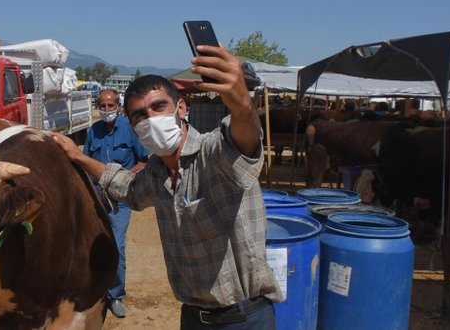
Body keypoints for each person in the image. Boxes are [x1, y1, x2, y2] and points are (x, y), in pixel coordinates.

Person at [53, 44, 281, 329]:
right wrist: (78, 157)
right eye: (140, 115)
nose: (151, 119)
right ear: (134, 127)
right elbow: (128, 188)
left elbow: (245, 138)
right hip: (192, 316)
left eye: (159, 107)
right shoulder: (156, 174)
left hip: (244, 318)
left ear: (181, 108)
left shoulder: (215, 152)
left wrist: (241, 102)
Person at [83, 88, 149, 319]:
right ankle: (95, 289)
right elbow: (87, 160)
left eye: (111, 105)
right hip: (97, 196)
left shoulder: (130, 130)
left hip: (120, 199)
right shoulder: (94, 130)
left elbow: (144, 160)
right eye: (102, 105)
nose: (107, 109)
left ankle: (116, 295)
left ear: (118, 107)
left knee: (117, 247)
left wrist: (125, 177)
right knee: (93, 243)